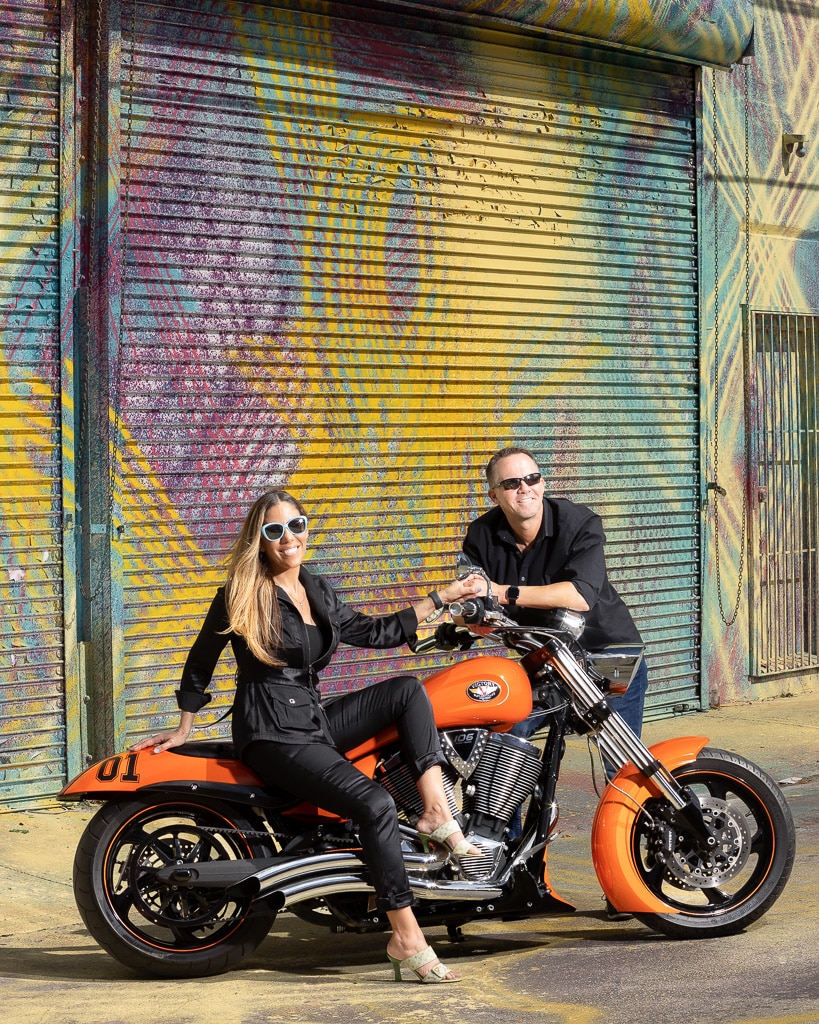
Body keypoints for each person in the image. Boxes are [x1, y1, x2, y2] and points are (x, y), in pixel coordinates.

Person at [134, 488, 484, 983]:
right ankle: (406, 937)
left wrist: (443, 598)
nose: (288, 539)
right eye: (274, 531)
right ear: (260, 539)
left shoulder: (317, 589)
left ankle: (434, 810)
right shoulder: (241, 592)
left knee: (407, 691)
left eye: (295, 526)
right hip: (271, 730)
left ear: (306, 530)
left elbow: (373, 632)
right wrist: (183, 726)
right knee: (376, 805)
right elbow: (200, 661)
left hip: (312, 719)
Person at [462, 445, 649, 753]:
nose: (524, 489)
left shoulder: (578, 524)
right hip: (545, 661)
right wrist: (470, 620)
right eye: (511, 483)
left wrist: (500, 591)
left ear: (543, 483)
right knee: (502, 743)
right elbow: (468, 594)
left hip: (608, 656)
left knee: (622, 766)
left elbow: (581, 595)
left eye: (532, 478)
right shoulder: (481, 535)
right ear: (494, 495)